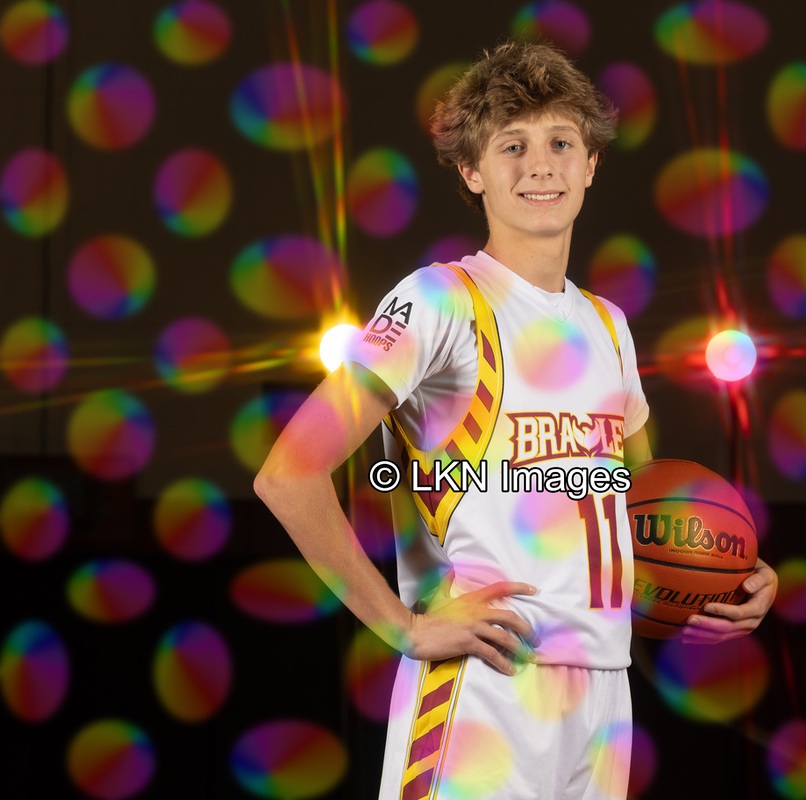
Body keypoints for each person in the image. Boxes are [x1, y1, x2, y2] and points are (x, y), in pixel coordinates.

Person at [255, 39, 777, 800]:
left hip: (604, 695)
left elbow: (639, 514)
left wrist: (725, 575)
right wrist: (404, 626)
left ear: (591, 163)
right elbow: (288, 475)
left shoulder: (609, 326)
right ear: (471, 171)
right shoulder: (439, 299)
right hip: (485, 685)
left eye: (561, 143)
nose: (541, 166)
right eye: (512, 146)